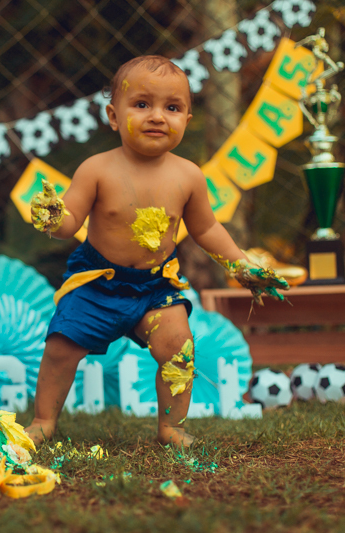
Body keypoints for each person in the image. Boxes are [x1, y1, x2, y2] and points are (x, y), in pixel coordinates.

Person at [26, 55, 288, 448]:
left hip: (155, 286)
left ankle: (172, 427)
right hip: (97, 282)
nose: (157, 116)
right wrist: (53, 217)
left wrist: (241, 265)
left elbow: (206, 229)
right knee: (61, 347)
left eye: (172, 108)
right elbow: (71, 222)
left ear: (187, 119)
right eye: (142, 104)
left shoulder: (188, 176)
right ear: (114, 117)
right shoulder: (96, 169)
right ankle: (44, 420)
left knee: (179, 347)